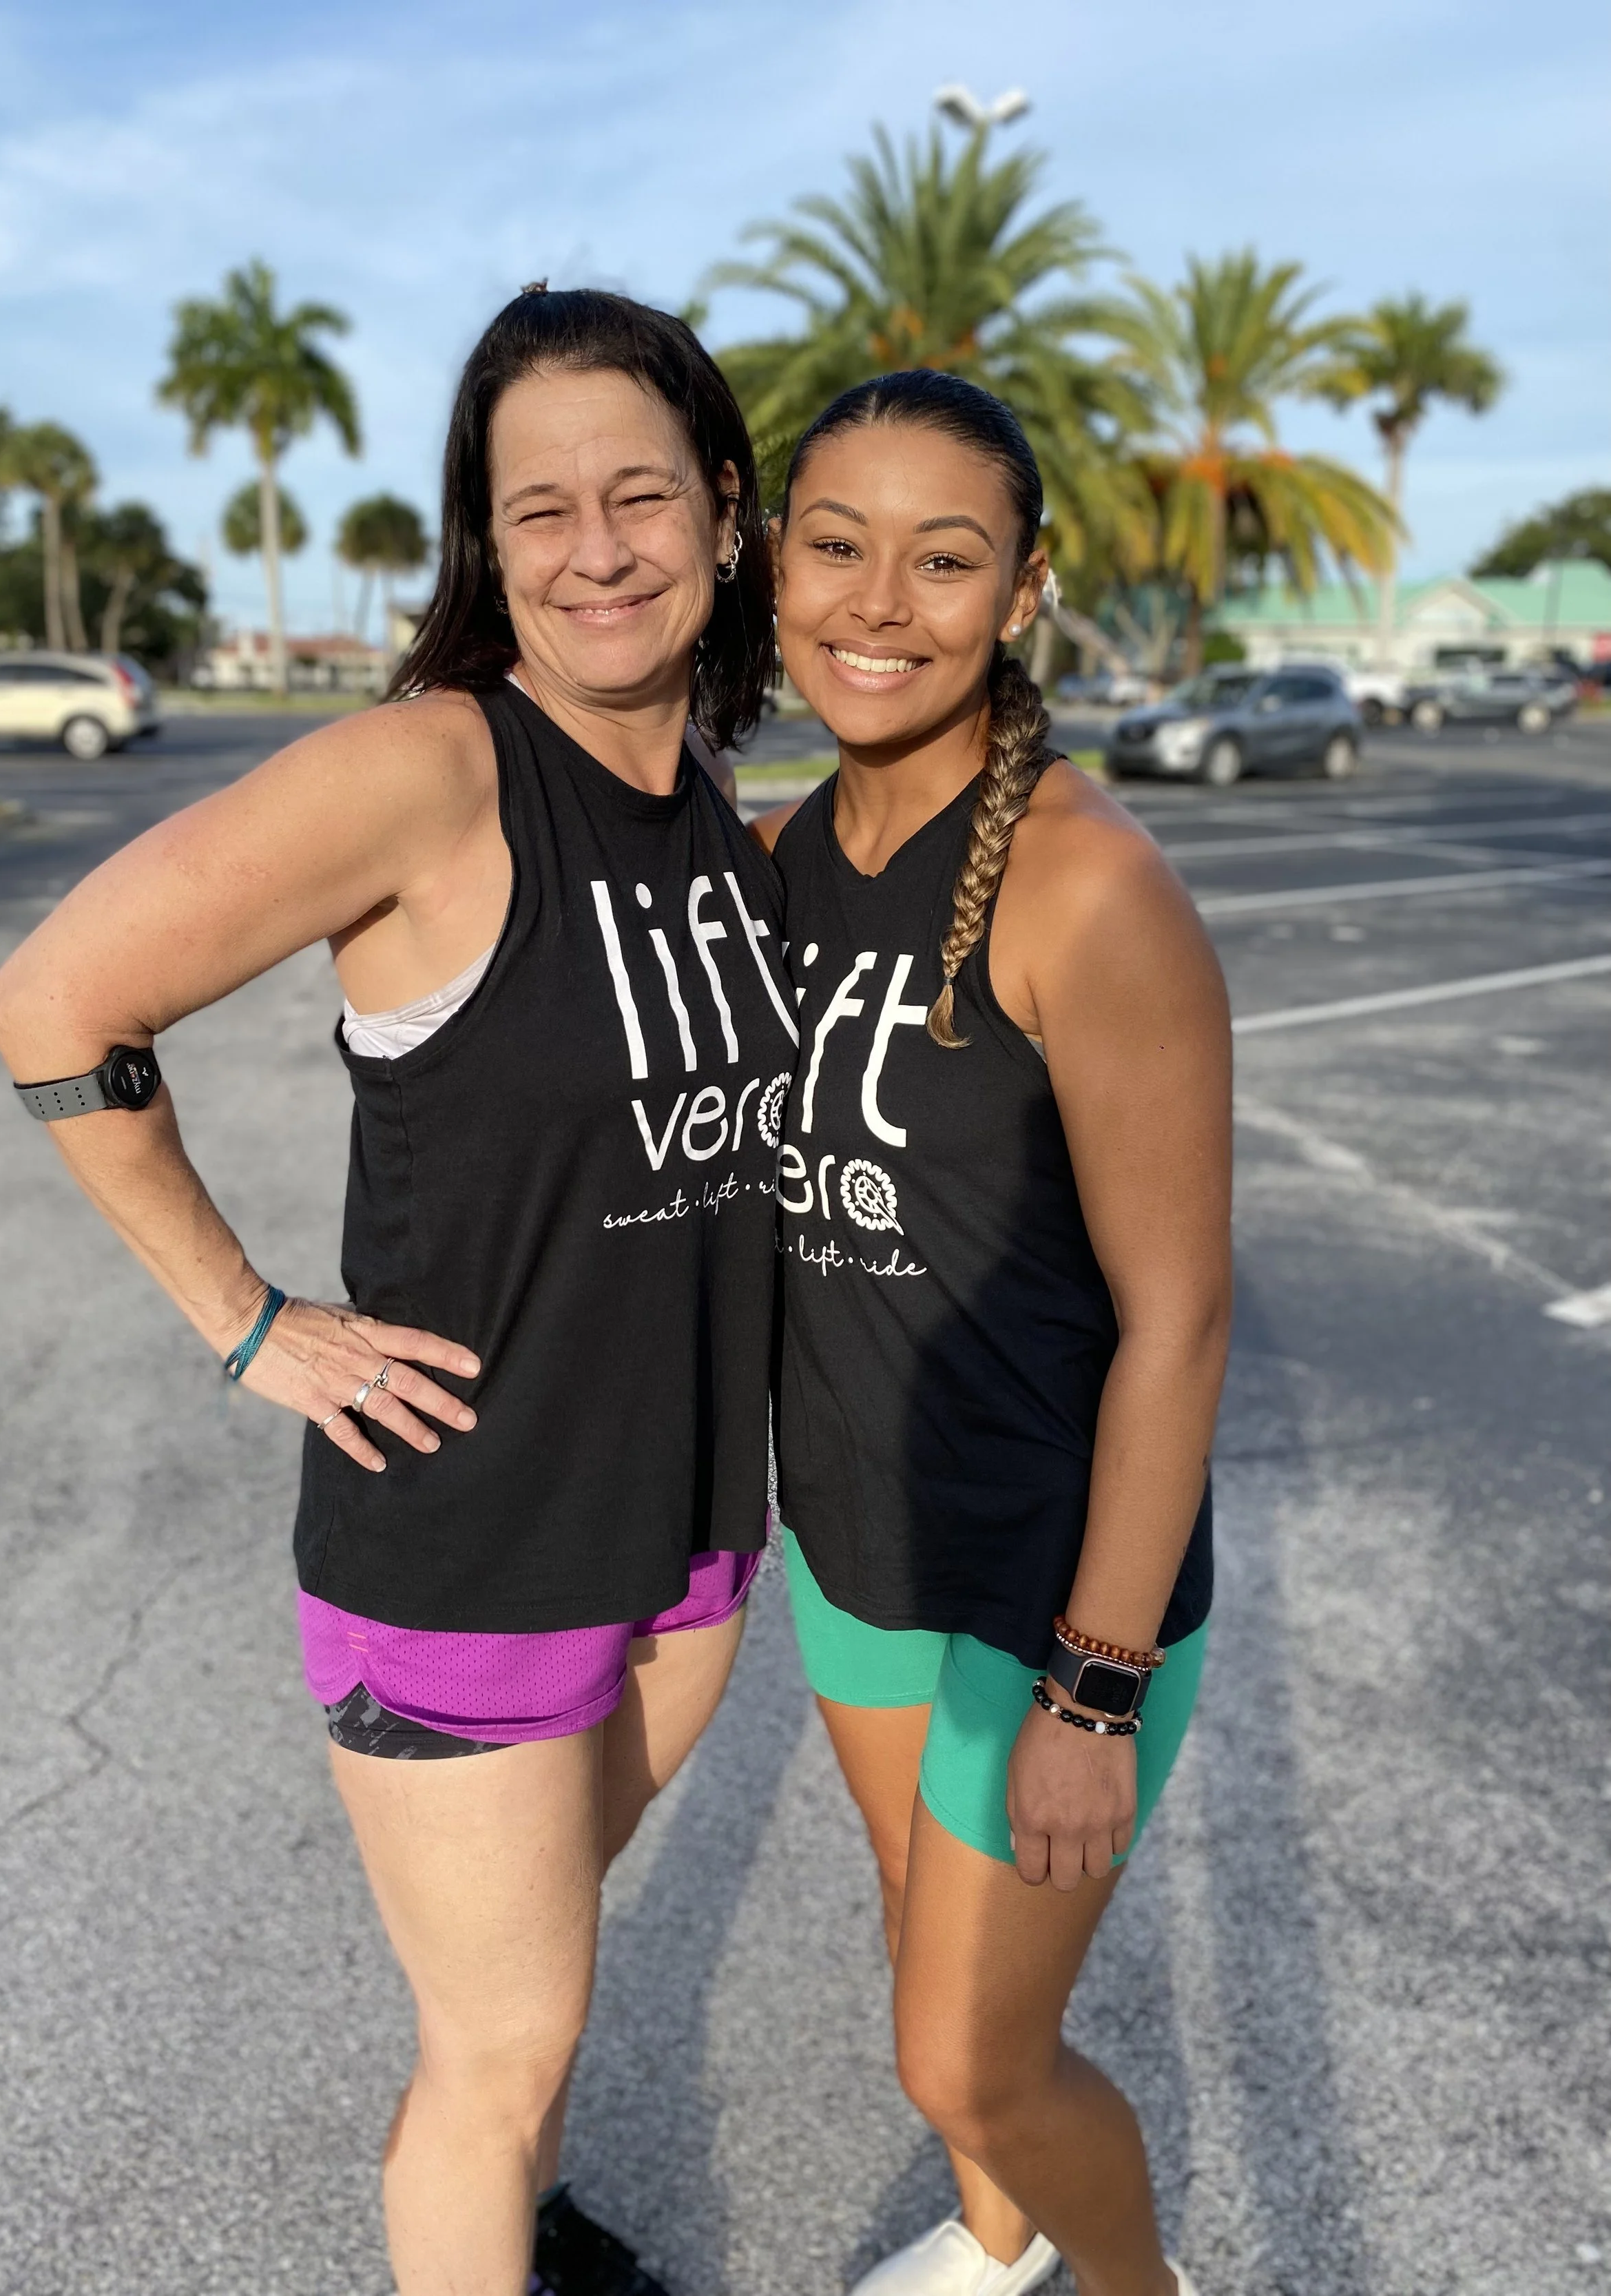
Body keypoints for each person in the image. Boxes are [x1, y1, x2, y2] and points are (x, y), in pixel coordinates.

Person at [0, 286, 798, 2296]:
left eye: (638, 494)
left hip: (682, 1532)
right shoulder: (434, 771)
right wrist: (246, 1320)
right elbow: (55, 1002)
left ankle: (525, 2228)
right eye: (539, 510)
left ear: (725, 508)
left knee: (524, 1996)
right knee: (496, 2050)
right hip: (470, 1551)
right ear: (484, 545)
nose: (596, 549)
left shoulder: (708, 798)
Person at [752, 371, 1231, 2296]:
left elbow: (1179, 1322)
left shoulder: (1090, 887)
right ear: (771, 564)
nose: (879, 602)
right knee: (911, 1919)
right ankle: (997, 2238)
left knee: (967, 2055)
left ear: (1021, 592)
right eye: (836, 545)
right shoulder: (778, 861)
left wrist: (1093, 1693)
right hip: (856, 1549)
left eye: (942, 560)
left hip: (1053, 1589)